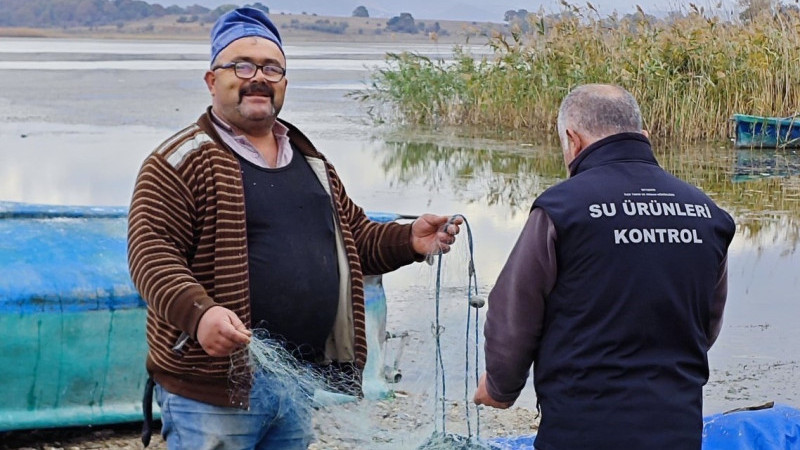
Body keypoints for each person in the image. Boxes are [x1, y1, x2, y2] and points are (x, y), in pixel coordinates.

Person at [127, 7, 460, 449]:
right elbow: (151, 254)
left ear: (284, 81)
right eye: (241, 65)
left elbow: (355, 237)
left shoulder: (309, 160)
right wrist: (199, 314)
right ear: (212, 80)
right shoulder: (180, 161)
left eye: (272, 68)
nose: (258, 77)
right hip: (213, 394)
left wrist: (409, 239)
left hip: (297, 379)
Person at [473, 84, 736, 450]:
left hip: (581, 431)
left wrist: (500, 387)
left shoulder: (562, 209)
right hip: (677, 429)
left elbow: (515, 308)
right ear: (643, 137)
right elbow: (706, 324)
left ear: (573, 140)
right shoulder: (708, 214)